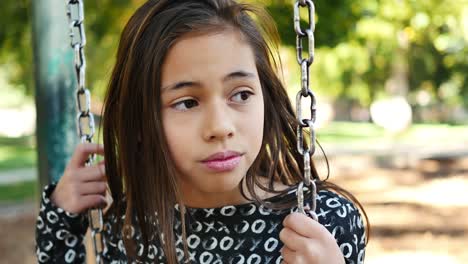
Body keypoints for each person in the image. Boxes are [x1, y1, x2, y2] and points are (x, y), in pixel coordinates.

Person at [35, 0, 368, 263]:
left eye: (241, 94)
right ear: (140, 123)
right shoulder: (130, 230)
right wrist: (60, 222)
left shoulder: (321, 221)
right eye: (187, 103)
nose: (220, 128)